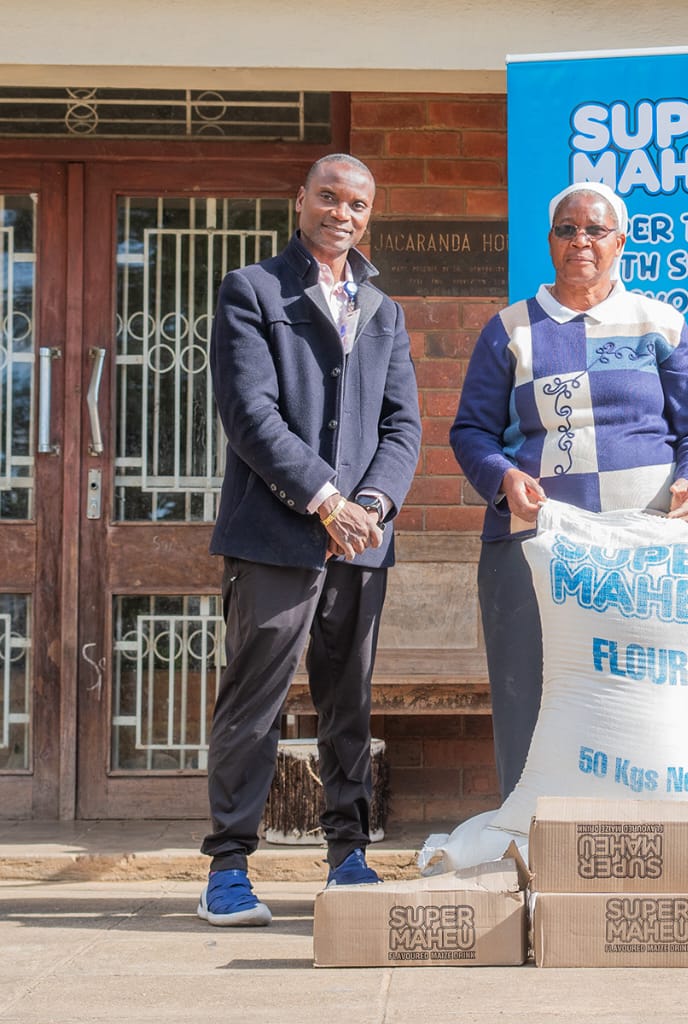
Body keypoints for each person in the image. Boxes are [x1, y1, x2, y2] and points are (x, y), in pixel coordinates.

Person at [198, 154, 422, 926]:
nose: (341, 212)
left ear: (370, 214)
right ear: (300, 201)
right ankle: (228, 865)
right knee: (254, 702)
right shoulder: (253, 291)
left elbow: (402, 425)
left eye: (357, 202)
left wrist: (371, 504)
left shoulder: (383, 308)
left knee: (346, 702)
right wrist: (325, 499)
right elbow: (250, 414)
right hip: (274, 537)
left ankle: (348, 855)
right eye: (328, 196)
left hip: (361, 543)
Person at [449, 181, 688, 799]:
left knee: (641, 693)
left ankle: (641, 824)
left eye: (595, 229)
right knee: (532, 687)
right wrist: (502, 476)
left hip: (641, 544)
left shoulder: (661, 323)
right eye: (567, 229)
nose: (581, 241)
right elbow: (470, 431)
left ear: (621, 241)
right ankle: (530, 827)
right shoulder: (510, 329)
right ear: (549, 241)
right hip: (535, 545)